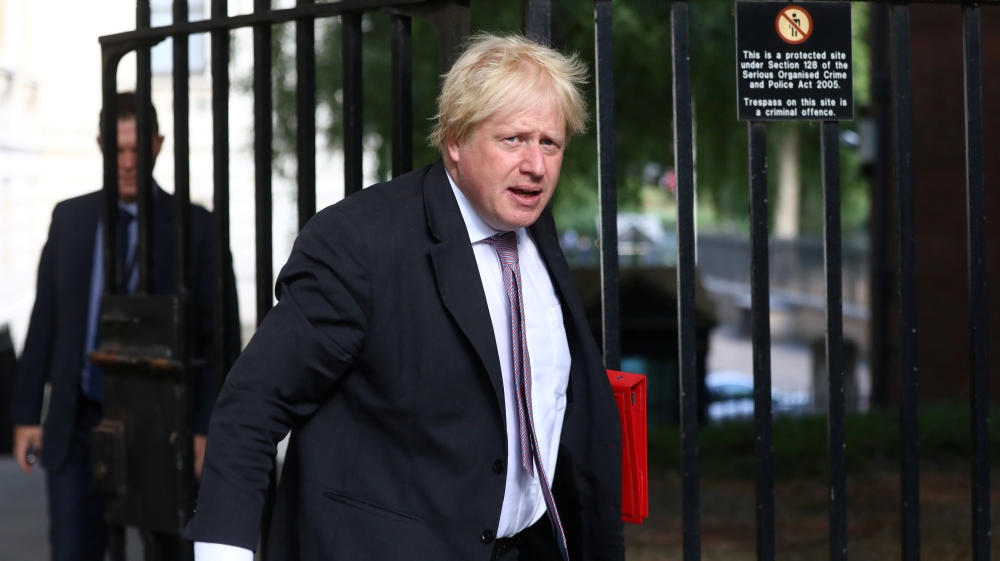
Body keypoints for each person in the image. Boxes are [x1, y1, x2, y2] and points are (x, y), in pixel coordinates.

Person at [186, 33, 624, 561]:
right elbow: (253, 406)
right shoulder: (360, 243)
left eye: (549, 143)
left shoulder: (535, 232)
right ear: (456, 141)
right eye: (513, 139)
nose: (536, 164)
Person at [12, 92, 238, 561]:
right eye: (119, 150)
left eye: (138, 149)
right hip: (80, 424)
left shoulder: (195, 228)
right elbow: (47, 318)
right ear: (101, 146)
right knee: (74, 549)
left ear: (158, 145)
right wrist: (28, 414)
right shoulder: (69, 219)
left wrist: (205, 428)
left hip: (165, 427)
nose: (129, 162)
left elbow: (219, 339)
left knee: (170, 552)